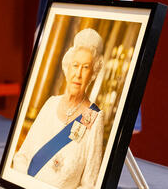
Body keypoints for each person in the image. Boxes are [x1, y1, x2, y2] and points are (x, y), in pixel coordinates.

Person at [12, 28, 106, 189]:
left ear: (93, 73)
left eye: (85, 67)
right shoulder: (50, 104)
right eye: (75, 65)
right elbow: (22, 156)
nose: (78, 73)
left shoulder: (95, 118)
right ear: (67, 68)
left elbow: (90, 184)